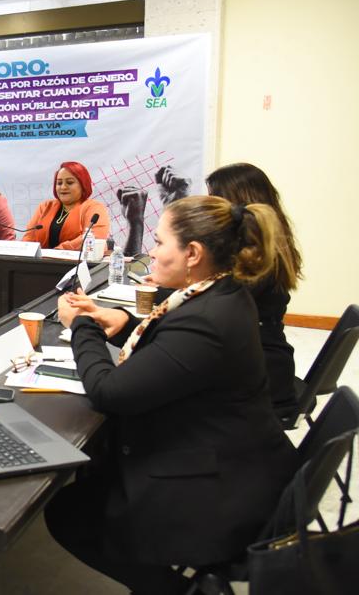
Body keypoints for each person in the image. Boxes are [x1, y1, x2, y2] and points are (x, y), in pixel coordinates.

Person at [45, 195, 297, 594]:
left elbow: (109, 393)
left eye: (160, 242)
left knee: (67, 514)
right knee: (95, 472)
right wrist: (124, 323)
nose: (152, 251)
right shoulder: (221, 293)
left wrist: (82, 326)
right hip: (235, 459)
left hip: (218, 491)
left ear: (193, 253)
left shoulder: (207, 320)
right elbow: (174, 352)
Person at [206, 163, 303, 418]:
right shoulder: (271, 242)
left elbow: (215, 305)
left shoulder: (256, 257)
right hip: (265, 357)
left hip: (261, 376)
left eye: (214, 198)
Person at [22, 161, 109, 250]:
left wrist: (58, 251)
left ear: (83, 184)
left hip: (77, 259)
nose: (63, 187)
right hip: (42, 258)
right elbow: (28, 239)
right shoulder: (45, 207)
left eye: (70, 182)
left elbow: (94, 237)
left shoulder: (94, 208)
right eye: (59, 183)